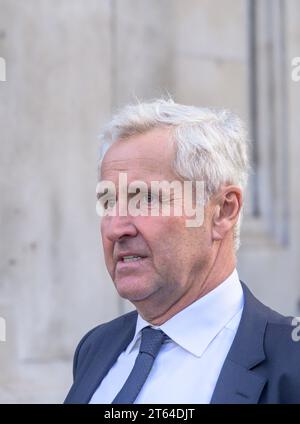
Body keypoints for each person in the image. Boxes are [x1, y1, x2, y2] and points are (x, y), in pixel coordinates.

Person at [65, 99, 300, 404]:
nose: (115, 229)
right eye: (109, 202)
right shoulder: (95, 347)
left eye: (145, 199)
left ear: (222, 212)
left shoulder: (290, 359)